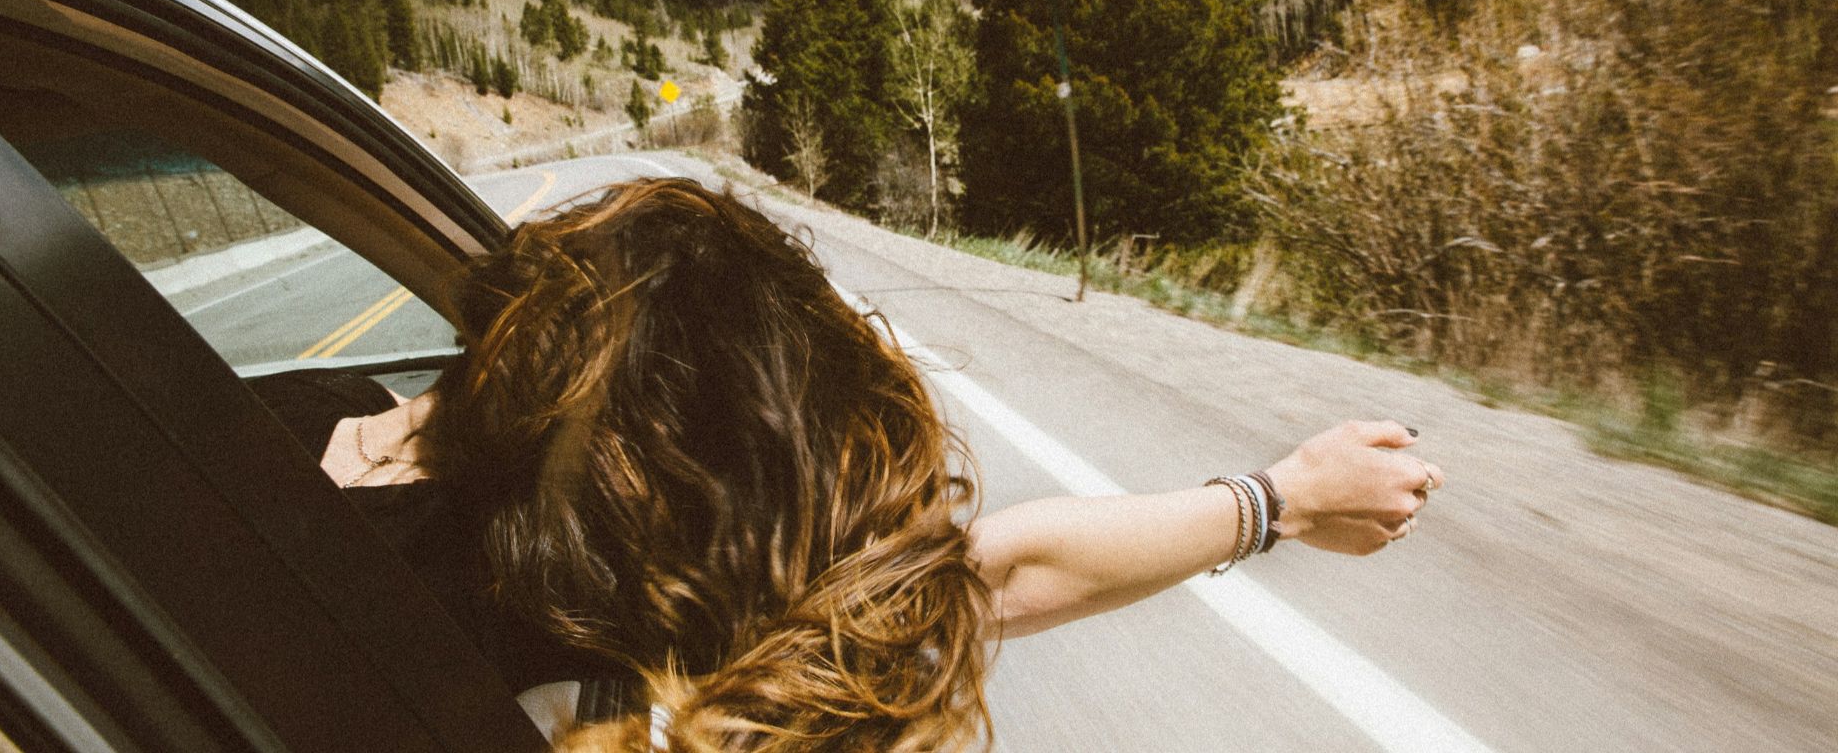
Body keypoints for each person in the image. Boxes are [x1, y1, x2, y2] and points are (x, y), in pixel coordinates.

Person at [255, 177, 1441, 751]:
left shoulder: (266, 421)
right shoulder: (584, 633)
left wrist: (1283, 500)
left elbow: (984, 571)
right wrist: (1281, 501)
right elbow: (990, 573)